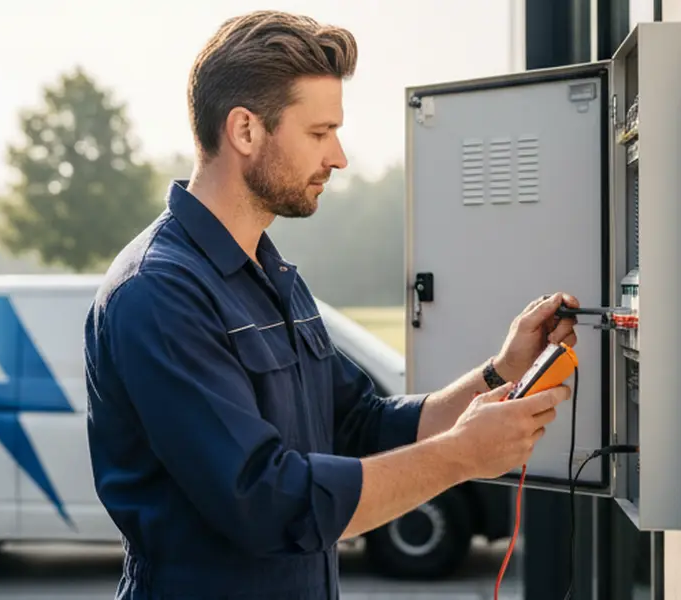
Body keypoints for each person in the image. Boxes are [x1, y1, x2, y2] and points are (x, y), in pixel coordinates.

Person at [82, 10, 580, 600]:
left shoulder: (271, 274)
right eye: (319, 133)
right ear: (245, 131)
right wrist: (461, 456)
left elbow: (360, 423)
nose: (338, 157)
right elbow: (266, 501)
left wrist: (501, 372)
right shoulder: (159, 293)